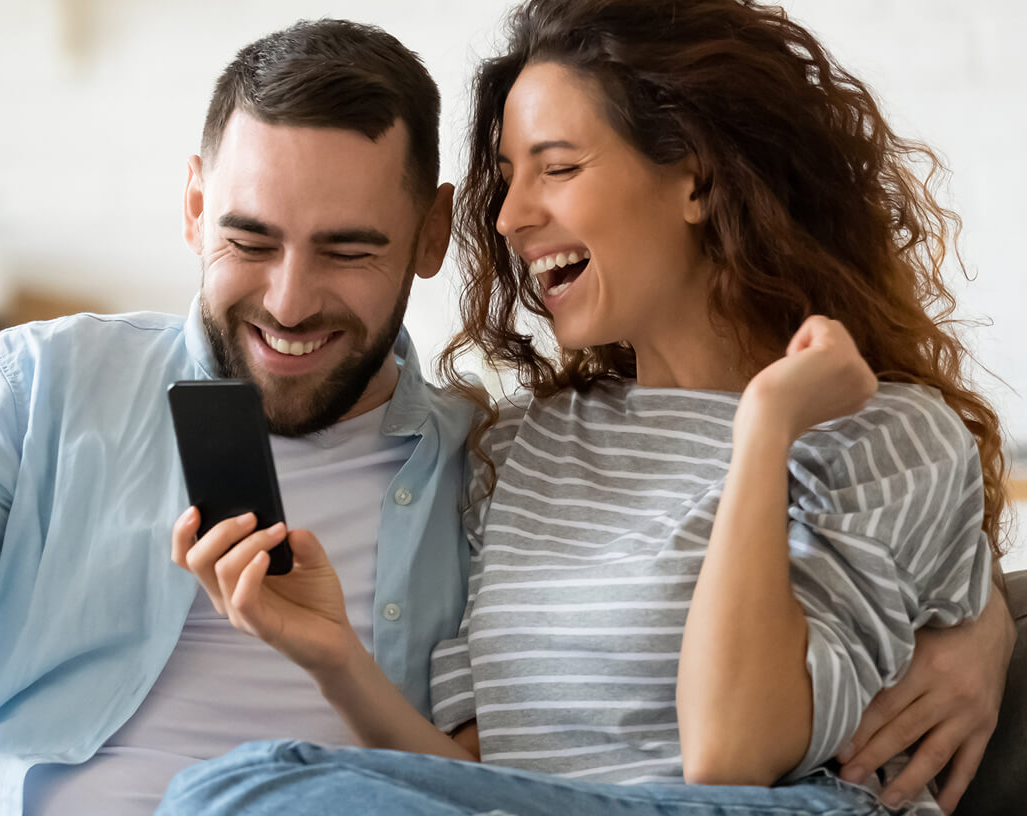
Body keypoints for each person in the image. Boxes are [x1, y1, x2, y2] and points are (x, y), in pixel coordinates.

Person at [156, 2, 1016, 816]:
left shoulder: (883, 432)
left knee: (245, 794)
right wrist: (332, 654)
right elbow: (483, 785)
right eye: (506, 178)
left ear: (698, 178)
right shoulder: (529, 445)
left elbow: (731, 757)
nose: (510, 216)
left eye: (558, 168)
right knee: (244, 789)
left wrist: (763, 431)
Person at [0, 20, 474, 815]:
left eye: (347, 252)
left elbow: (493, 782)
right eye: (250, 240)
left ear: (432, 233)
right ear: (197, 208)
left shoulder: (488, 476)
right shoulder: (46, 384)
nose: (289, 302)